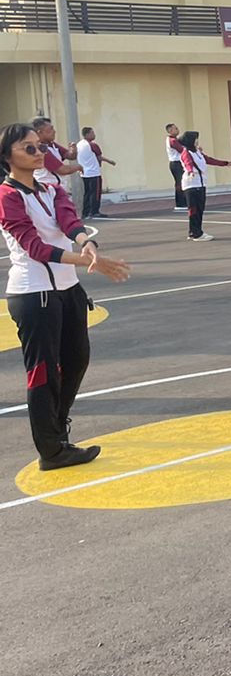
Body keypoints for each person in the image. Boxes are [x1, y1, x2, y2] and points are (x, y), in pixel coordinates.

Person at [2, 123, 132, 470]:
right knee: (43, 372)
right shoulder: (7, 196)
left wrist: (88, 244)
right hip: (34, 294)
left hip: (67, 289)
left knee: (76, 360)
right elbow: (35, 248)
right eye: (29, 148)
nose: (39, 152)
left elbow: (69, 221)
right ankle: (51, 450)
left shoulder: (51, 188)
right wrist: (90, 261)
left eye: (40, 146)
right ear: (7, 156)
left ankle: (58, 432)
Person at [176, 131, 230, 241]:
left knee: (199, 209)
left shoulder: (197, 152)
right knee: (194, 210)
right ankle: (197, 234)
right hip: (191, 184)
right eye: (195, 139)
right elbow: (188, 163)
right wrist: (190, 172)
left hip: (200, 183)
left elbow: (208, 160)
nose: (197, 141)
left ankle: (193, 231)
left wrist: (224, 163)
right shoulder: (186, 153)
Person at [75, 126, 115, 220]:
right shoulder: (92, 145)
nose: (94, 135)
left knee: (87, 193)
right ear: (87, 134)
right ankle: (94, 211)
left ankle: (85, 212)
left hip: (84, 172)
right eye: (92, 133)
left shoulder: (79, 144)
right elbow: (99, 157)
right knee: (95, 193)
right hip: (93, 172)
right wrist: (110, 161)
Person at [30, 117, 80, 189]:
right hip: (48, 189)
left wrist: (73, 151)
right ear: (39, 132)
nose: (54, 131)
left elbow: (69, 156)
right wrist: (79, 167)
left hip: (57, 188)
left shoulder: (51, 144)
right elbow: (62, 170)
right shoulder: (41, 150)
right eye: (50, 129)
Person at [163, 122, 186, 210]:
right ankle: (180, 203)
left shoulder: (175, 139)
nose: (178, 130)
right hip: (176, 164)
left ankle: (183, 202)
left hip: (178, 163)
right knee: (179, 183)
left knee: (182, 182)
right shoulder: (172, 141)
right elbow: (181, 149)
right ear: (170, 131)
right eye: (175, 128)